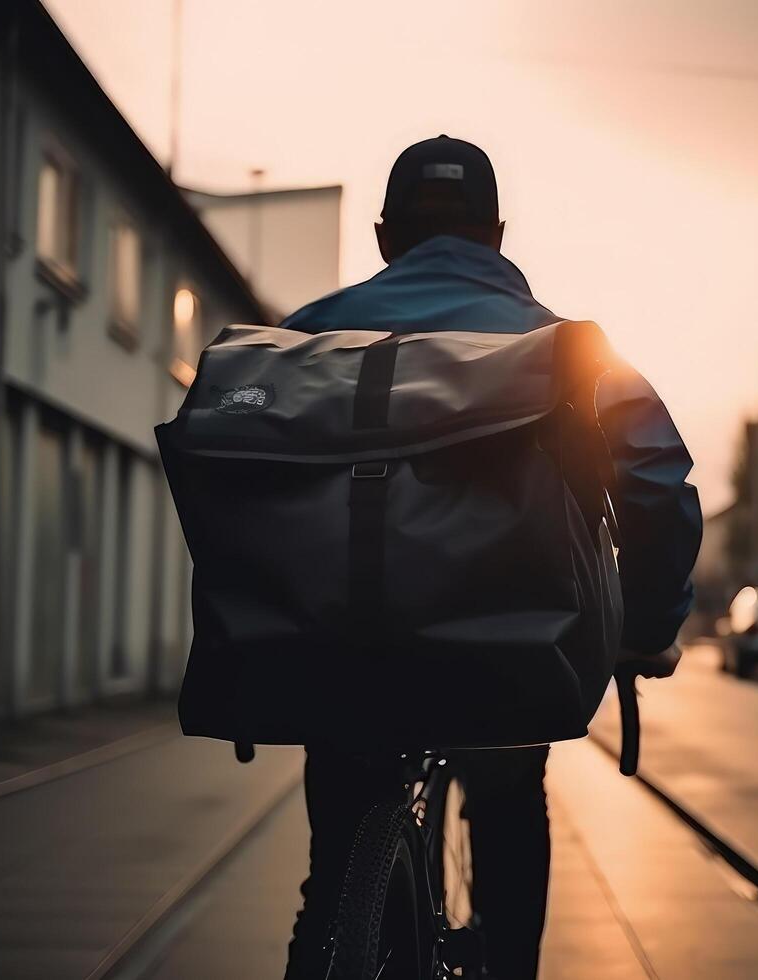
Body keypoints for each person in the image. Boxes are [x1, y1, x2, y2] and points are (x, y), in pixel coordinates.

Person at [279, 135, 702, 980]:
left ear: (383, 239)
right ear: (498, 236)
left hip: (342, 654)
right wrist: (645, 627)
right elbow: (657, 478)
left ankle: (338, 931)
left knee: (334, 877)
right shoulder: (568, 350)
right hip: (506, 658)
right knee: (510, 809)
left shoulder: (304, 338)